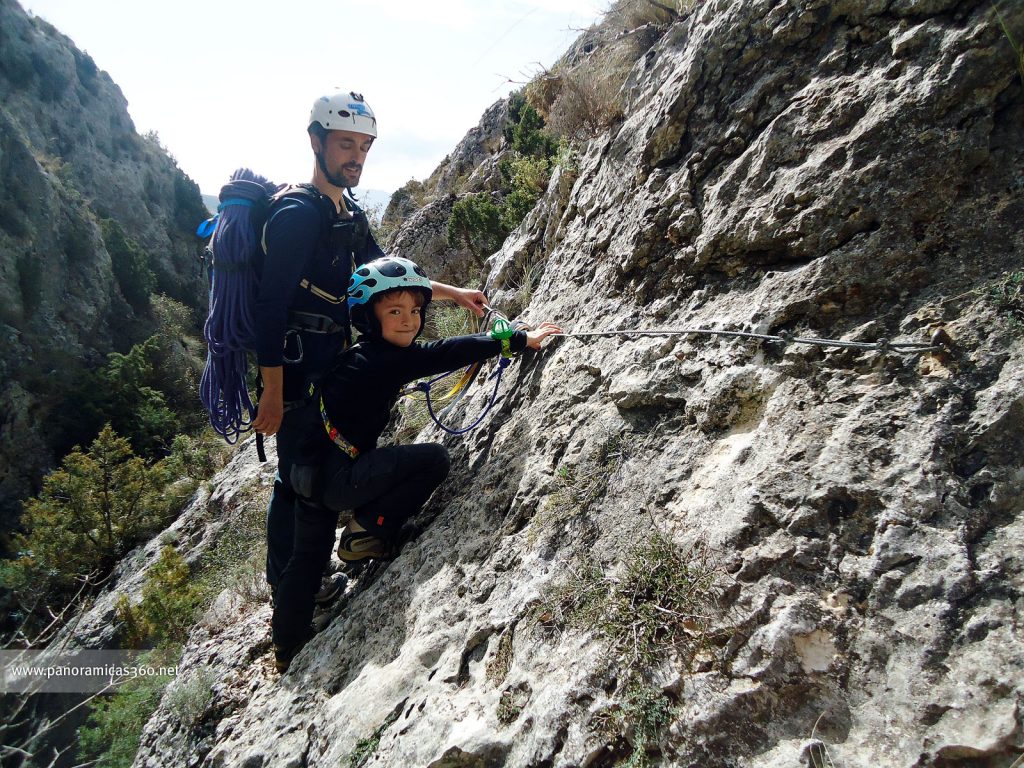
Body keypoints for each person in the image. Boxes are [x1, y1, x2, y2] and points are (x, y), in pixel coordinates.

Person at [270, 256, 561, 671]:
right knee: (432, 459)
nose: (408, 321)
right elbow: (444, 352)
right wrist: (516, 340)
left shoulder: (360, 355)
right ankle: (369, 533)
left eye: (415, 310)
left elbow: (431, 350)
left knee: (307, 559)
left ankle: (287, 646)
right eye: (394, 312)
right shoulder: (384, 359)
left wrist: (455, 298)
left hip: (308, 474)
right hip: (338, 478)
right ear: (369, 319)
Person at [254, 91, 488, 605]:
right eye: (344, 144)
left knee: (308, 478)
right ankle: (290, 591)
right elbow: (268, 310)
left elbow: (393, 278)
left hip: (330, 366)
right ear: (316, 142)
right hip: (295, 375)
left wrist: (452, 294)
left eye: (364, 146)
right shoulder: (298, 216)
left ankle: (313, 572)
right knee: (293, 481)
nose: (356, 156)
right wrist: (271, 392)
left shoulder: (349, 217)